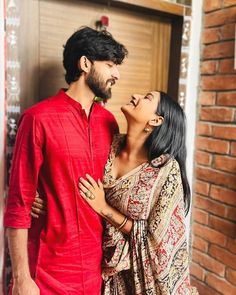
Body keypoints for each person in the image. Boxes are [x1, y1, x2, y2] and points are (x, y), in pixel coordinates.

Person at [33, 91, 198, 294]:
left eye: (147, 98)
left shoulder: (164, 170)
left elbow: (160, 241)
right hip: (101, 267)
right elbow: (75, 179)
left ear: (156, 120)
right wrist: (48, 199)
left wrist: (104, 209)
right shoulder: (110, 144)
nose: (136, 96)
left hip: (145, 278)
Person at [4, 26, 128, 295]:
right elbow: (18, 204)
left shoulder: (108, 123)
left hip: (95, 273)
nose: (116, 74)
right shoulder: (38, 118)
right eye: (110, 65)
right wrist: (22, 279)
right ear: (85, 63)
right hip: (47, 272)